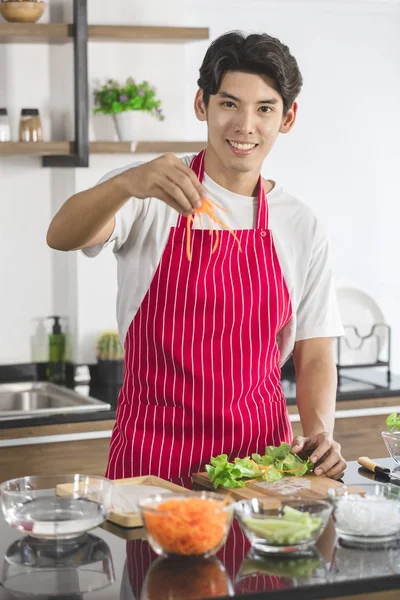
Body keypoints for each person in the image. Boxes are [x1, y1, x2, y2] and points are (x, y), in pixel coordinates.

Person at [47, 31, 346, 483]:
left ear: (287, 118)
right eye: (229, 104)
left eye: (264, 108)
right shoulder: (151, 188)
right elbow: (61, 235)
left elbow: (315, 351)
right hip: (152, 465)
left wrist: (320, 432)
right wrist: (125, 183)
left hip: (259, 469)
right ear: (201, 104)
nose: (245, 125)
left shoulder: (301, 225)